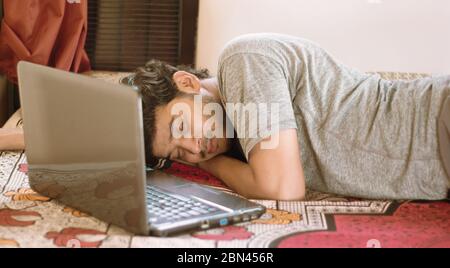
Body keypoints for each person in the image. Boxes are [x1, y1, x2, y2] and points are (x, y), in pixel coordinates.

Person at [3, 33, 450, 200]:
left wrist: (205, 162)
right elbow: (90, 132)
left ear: (189, 82)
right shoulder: (235, 130)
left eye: (182, 128)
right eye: (179, 151)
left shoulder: (243, 62)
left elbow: (282, 188)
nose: (194, 148)